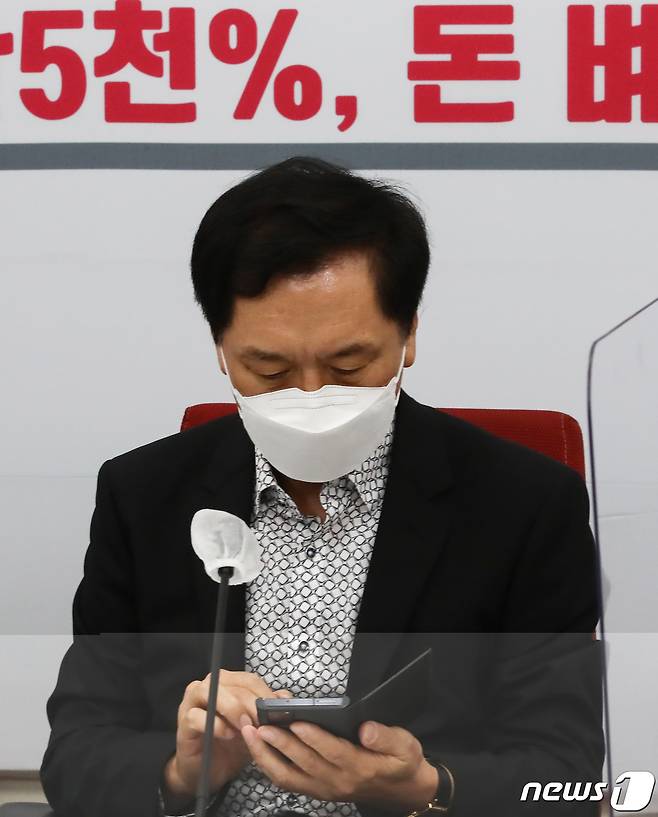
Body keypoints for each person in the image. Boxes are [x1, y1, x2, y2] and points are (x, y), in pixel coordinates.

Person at [40, 157, 605, 817]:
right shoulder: (144, 497)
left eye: (348, 364)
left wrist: (429, 787)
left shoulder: (525, 505)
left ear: (409, 334)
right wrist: (180, 770)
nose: (311, 396)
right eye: (269, 368)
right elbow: (75, 756)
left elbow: (565, 773)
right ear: (220, 347)